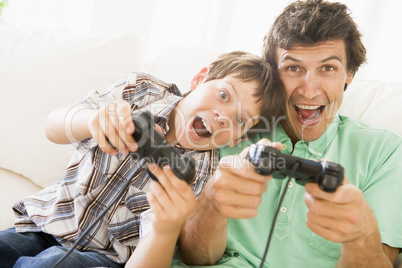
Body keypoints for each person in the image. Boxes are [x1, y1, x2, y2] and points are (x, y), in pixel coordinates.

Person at [0, 51, 284, 268]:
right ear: (199, 79)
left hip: (103, 258)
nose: (223, 116)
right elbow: (53, 127)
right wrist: (92, 121)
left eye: (239, 119)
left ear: (236, 140)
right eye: (223, 95)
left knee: (52, 264)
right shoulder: (142, 90)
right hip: (45, 222)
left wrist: (166, 227)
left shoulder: (199, 173)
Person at [173, 1, 402, 267]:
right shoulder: (232, 126)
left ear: (349, 74)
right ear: (272, 71)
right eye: (293, 68)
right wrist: (212, 202)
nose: (309, 90)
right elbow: (193, 257)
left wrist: (360, 234)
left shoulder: (385, 151)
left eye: (328, 68)